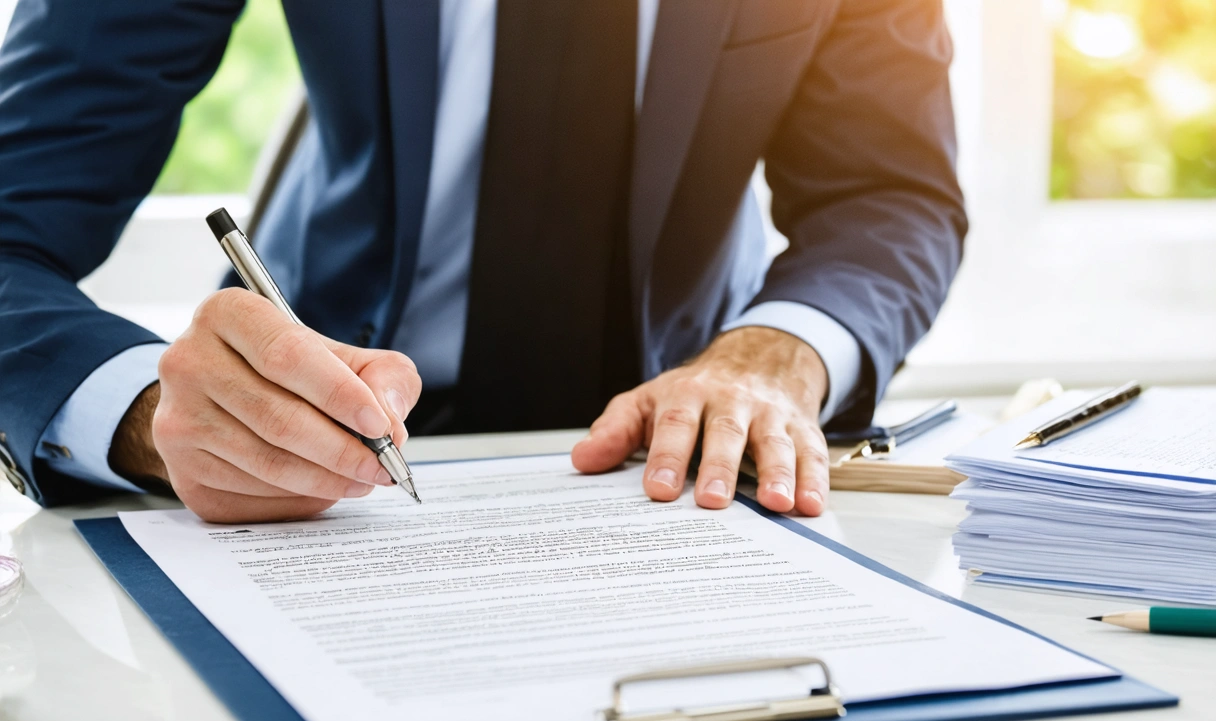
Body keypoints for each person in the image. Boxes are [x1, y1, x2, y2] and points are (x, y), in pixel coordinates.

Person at [0, 0, 966, 523]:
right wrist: (156, 418)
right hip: (318, 460)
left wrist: (777, 354)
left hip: (675, 462)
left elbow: (887, 195)